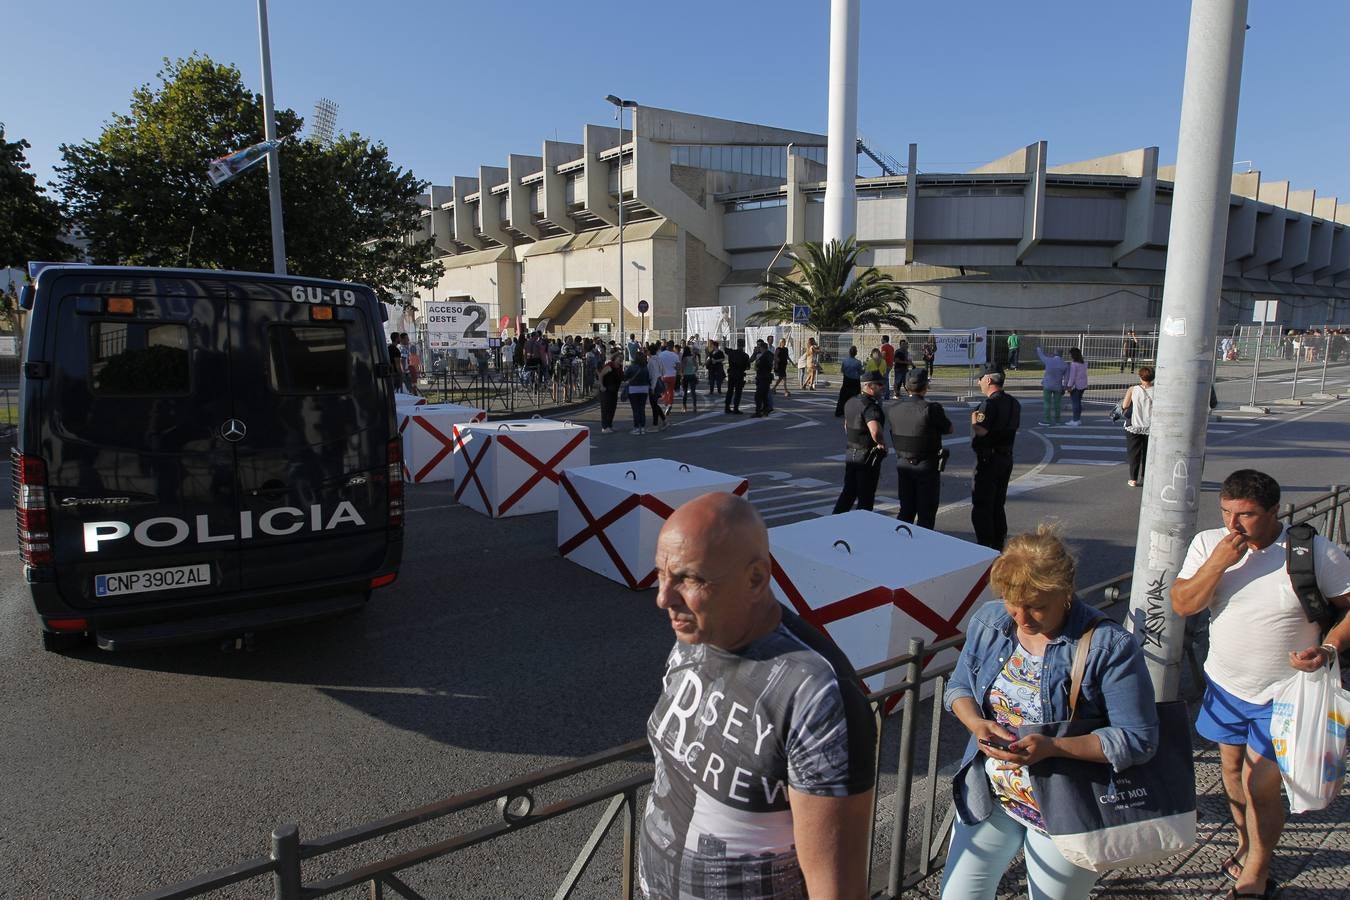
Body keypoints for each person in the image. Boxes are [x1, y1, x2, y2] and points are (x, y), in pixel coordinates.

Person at [641, 493, 877, 899]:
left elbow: (835, 890)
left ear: (755, 579)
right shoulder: (696, 634)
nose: (664, 598)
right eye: (661, 575)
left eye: (689, 579)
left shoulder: (817, 696)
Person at [940, 526, 1159, 900]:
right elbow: (958, 687)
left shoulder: (1109, 645)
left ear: (1066, 592)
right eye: (1013, 601)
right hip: (991, 794)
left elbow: (1138, 739)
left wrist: (1053, 747)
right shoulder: (991, 622)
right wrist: (977, 723)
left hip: (1067, 811)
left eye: (1036, 605)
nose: (1021, 617)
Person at [1172, 470, 1350, 900]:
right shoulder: (1208, 544)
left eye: (1246, 515)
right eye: (1227, 512)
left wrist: (1327, 648)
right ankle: (1245, 840)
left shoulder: (1312, 552)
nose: (1233, 524)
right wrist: (1218, 562)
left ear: (1273, 512)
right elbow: (1182, 604)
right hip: (1225, 684)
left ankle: (1257, 867)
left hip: (1285, 693)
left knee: (1260, 785)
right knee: (1231, 771)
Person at [888, 367, 953, 529]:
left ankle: (900, 545)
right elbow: (949, 428)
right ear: (925, 387)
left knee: (906, 511)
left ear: (905, 387)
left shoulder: (894, 409)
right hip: (926, 465)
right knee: (926, 514)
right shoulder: (932, 409)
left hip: (903, 463)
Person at [970, 367, 1021, 551]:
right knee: (998, 504)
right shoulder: (1014, 403)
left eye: (981, 379)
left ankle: (984, 546)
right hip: (1006, 458)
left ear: (989, 380)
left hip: (988, 460)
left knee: (983, 505)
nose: (979, 382)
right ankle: (999, 543)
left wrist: (974, 421)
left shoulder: (989, 405)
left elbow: (982, 430)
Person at [832, 371, 887, 514]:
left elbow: (846, 425)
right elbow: (875, 431)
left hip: (851, 452)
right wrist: (881, 443)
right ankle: (862, 527)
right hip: (867, 456)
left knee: (848, 493)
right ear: (869, 386)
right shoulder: (870, 406)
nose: (883, 387)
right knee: (866, 498)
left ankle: (833, 522)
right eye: (879, 384)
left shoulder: (851, 402)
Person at [1121, 365, 1154, 488]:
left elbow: (1125, 405)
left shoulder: (1133, 389)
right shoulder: (1158, 390)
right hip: (1151, 426)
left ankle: (1133, 479)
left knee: (1134, 453)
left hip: (1134, 425)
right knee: (1148, 454)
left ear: (1140, 377)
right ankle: (1145, 477)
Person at [1034, 344, 1068, 427]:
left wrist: (1038, 348)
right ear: (1062, 354)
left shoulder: (1048, 360)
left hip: (1047, 385)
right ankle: (1058, 420)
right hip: (1058, 386)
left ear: (1054, 353)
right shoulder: (1065, 364)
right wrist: (1064, 387)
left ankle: (1047, 420)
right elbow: (1066, 379)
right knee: (1057, 404)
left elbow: (1041, 356)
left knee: (1047, 403)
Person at [623, 351, 653, 434]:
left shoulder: (631, 367)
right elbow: (648, 378)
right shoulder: (645, 367)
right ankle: (642, 427)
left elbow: (625, 377)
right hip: (644, 389)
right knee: (642, 409)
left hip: (633, 389)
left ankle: (636, 427)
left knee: (635, 409)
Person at [597, 350, 624, 433]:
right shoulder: (609, 366)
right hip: (606, 390)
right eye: (619, 358)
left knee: (612, 408)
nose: (621, 360)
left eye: (622, 358)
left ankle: (609, 425)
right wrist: (601, 386)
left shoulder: (619, 368)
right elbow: (601, 375)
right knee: (606, 408)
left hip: (614, 391)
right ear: (615, 358)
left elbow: (622, 378)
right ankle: (605, 427)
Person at [725, 338, 750, 414]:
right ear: (744, 345)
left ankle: (727, 407)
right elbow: (747, 367)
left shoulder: (731, 353)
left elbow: (725, 349)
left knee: (730, 391)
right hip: (739, 374)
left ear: (737, 344)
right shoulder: (745, 355)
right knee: (738, 392)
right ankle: (736, 408)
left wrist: (724, 341)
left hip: (731, 374)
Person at [836, 345, 862, 417]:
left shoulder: (845, 361)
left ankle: (839, 411)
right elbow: (860, 372)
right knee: (855, 397)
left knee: (843, 397)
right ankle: (854, 412)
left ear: (849, 352)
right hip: (855, 381)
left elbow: (842, 370)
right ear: (855, 353)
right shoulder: (858, 362)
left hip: (847, 379)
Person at [1065, 347, 1088, 426]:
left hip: (1076, 386)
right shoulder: (1084, 363)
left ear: (1073, 355)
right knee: (1078, 403)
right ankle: (1078, 419)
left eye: (1070, 354)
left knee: (1075, 403)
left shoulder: (1074, 364)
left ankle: (1075, 420)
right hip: (1083, 385)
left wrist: (1069, 386)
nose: (1070, 356)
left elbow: (1072, 377)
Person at [753, 339, 775, 417]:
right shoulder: (770, 354)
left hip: (762, 376)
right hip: (766, 376)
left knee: (758, 395)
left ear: (763, 348)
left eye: (760, 347)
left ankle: (758, 412)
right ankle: (766, 410)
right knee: (765, 395)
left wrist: (758, 362)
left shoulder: (763, 356)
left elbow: (758, 366)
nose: (759, 349)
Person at [648, 350, 669, 431]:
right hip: (660, 381)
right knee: (655, 404)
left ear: (649, 352)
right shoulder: (659, 359)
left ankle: (655, 425)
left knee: (653, 405)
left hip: (654, 383)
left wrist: (652, 387)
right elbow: (664, 371)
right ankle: (664, 420)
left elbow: (653, 375)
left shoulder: (651, 361)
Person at [657, 342, 682, 414]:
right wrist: (678, 373)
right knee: (671, 391)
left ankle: (667, 404)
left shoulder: (661, 354)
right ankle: (670, 404)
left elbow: (658, 365)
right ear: (673, 347)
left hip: (663, 376)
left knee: (663, 391)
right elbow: (678, 367)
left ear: (667, 346)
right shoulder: (675, 355)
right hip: (672, 376)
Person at [679, 346, 700, 412]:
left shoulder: (684, 359)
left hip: (686, 376)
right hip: (692, 375)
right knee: (693, 392)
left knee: (685, 392)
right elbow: (696, 366)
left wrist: (681, 375)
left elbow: (682, 368)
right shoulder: (692, 358)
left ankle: (684, 407)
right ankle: (695, 407)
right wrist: (693, 371)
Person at [879, 335, 896, 400]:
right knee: (885, 380)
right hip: (890, 365)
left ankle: (886, 396)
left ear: (884, 340)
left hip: (885, 365)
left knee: (884, 380)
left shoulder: (884, 347)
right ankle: (885, 395)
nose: (881, 340)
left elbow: (883, 356)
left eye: (882, 339)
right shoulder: (891, 347)